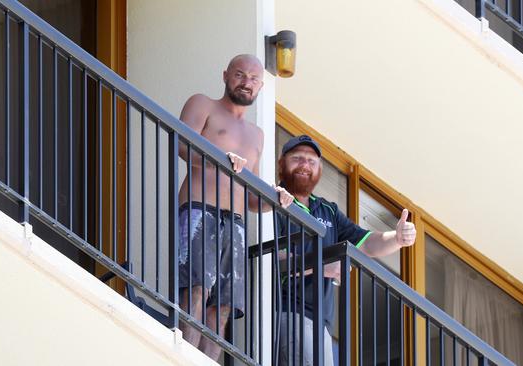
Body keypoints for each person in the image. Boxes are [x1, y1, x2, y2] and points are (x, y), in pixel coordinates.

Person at [177, 54, 293, 360]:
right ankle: (184, 356)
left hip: (237, 222)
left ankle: (207, 361)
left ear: (261, 86)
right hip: (201, 209)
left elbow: (252, 197)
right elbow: (181, 145)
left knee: (225, 304)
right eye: (240, 75)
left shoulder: (257, 134)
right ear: (226, 75)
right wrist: (221, 158)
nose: (246, 83)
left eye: (254, 79)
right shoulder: (203, 104)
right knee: (197, 287)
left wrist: (275, 200)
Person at [277, 134, 417, 366]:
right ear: (281, 163)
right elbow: (276, 260)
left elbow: (365, 243)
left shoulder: (327, 210)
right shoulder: (276, 199)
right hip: (289, 312)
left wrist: (398, 238)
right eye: (297, 158)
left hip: (322, 323)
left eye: (312, 161)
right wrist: (323, 266)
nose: (305, 165)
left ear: (320, 169)